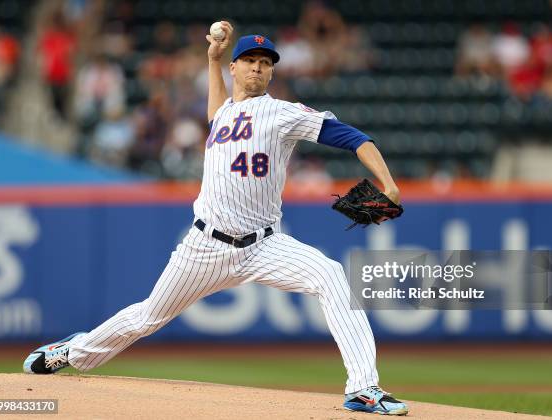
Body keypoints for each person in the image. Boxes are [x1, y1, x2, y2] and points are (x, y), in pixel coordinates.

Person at [23, 22, 408, 416]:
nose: (258, 68)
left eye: (265, 62)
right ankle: (72, 351)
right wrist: (212, 60)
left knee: (332, 276)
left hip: (265, 244)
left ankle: (363, 388)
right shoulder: (223, 113)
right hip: (205, 247)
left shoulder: (282, 114)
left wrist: (389, 184)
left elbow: (351, 136)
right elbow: (215, 110)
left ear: (273, 72)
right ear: (235, 68)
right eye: (249, 61)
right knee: (147, 317)